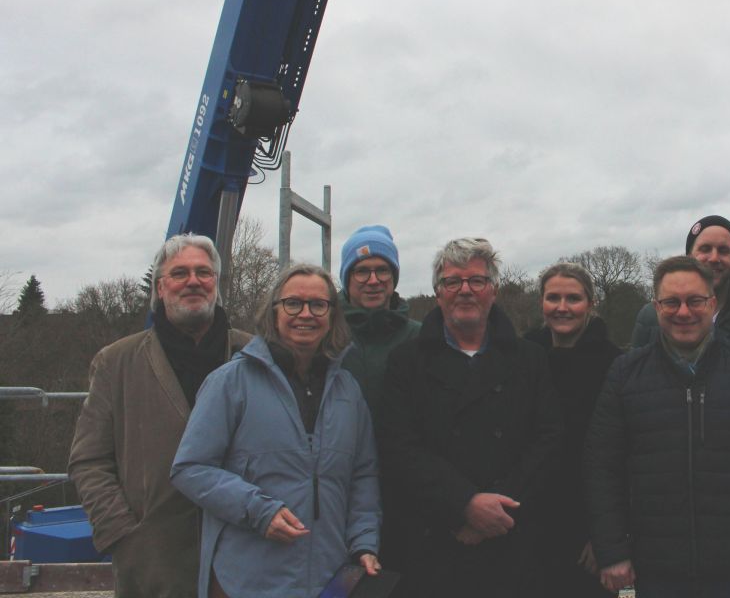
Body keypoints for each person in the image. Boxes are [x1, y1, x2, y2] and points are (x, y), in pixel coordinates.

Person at [586, 256, 730, 598]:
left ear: (712, 303)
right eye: (671, 302)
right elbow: (602, 467)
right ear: (656, 307)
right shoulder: (625, 374)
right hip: (658, 569)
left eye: (695, 301)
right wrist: (613, 550)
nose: (684, 312)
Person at [170, 264, 381, 598]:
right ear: (273, 313)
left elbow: (363, 474)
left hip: (330, 580)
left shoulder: (348, 391)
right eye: (293, 303)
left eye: (318, 305)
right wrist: (259, 511)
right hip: (246, 582)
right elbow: (190, 468)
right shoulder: (231, 382)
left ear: (332, 315)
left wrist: (364, 542)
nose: (306, 314)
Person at [378, 238, 562, 598]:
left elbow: (548, 439)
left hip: (512, 539)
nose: (465, 290)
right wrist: (463, 505)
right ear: (438, 293)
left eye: (476, 280)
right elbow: (398, 446)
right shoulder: (406, 362)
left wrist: (498, 508)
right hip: (435, 540)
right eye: (452, 282)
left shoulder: (530, 359)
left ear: (493, 290)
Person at [69, 234, 251, 597]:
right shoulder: (117, 363)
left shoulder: (252, 356)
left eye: (203, 272)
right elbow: (89, 460)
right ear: (160, 287)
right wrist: (122, 533)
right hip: (152, 563)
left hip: (243, 555)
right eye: (179, 273)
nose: (193, 281)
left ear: (216, 283)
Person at [524, 263, 622, 597]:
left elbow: (621, 454)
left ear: (591, 303)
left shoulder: (615, 364)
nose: (562, 307)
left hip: (588, 526)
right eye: (553, 298)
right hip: (531, 522)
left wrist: (606, 536)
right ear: (541, 302)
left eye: (573, 298)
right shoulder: (524, 357)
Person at [630, 215, 730, 348]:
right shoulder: (651, 316)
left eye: (723, 250)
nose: (714, 258)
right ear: (689, 257)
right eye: (705, 249)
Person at [338, 224, 420, 423]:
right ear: (347, 279)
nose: (373, 281)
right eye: (362, 271)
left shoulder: (421, 337)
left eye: (382, 270)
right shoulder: (326, 334)